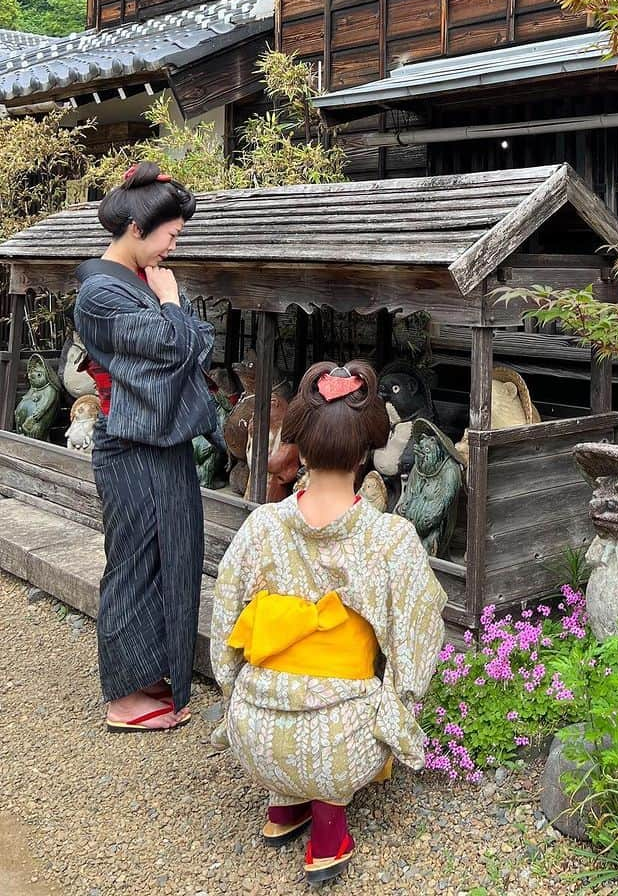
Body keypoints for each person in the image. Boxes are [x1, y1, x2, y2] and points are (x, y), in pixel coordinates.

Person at [210, 360, 446, 885]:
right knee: (352, 706)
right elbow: (417, 633)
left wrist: (233, 694)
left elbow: (225, 617)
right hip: (339, 739)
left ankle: (282, 804)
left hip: (253, 730)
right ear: (365, 452)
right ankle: (328, 830)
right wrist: (398, 710)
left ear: (300, 447)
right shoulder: (389, 539)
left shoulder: (263, 525)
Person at [73, 161, 218, 733]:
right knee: (135, 560)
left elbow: (194, 347)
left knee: (175, 554)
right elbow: (168, 345)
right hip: (129, 445)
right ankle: (123, 695)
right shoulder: (99, 295)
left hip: (160, 440)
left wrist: (174, 319)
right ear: (137, 230)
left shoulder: (135, 285)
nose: (171, 249)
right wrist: (174, 303)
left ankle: (157, 672)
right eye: (171, 236)